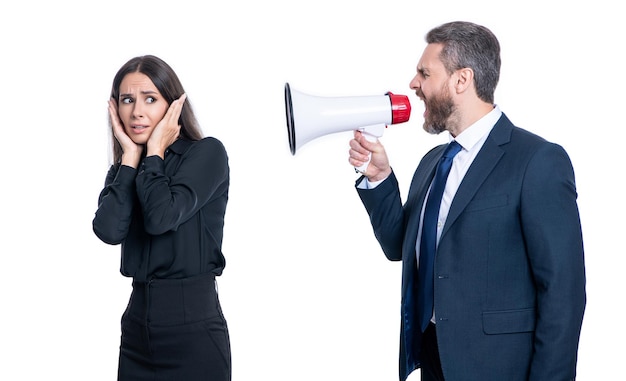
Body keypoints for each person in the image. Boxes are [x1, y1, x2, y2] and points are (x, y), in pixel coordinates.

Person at [348, 21, 586, 381]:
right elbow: (399, 246)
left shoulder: (537, 161)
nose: (413, 84)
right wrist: (379, 177)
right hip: (434, 360)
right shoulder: (433, 162)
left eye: (424, 73)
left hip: (496, 367)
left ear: (462, 80)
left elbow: (563, 295)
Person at [93, 55, 231, 381]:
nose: (136, 111)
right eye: (127, 100)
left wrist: (154, 153)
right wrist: (129, 160)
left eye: (150, 99)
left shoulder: (206, 154)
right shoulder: (125, 168)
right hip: (137, 332)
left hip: (193, 331)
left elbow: (161, 217)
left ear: (173, 107)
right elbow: (108, 231)